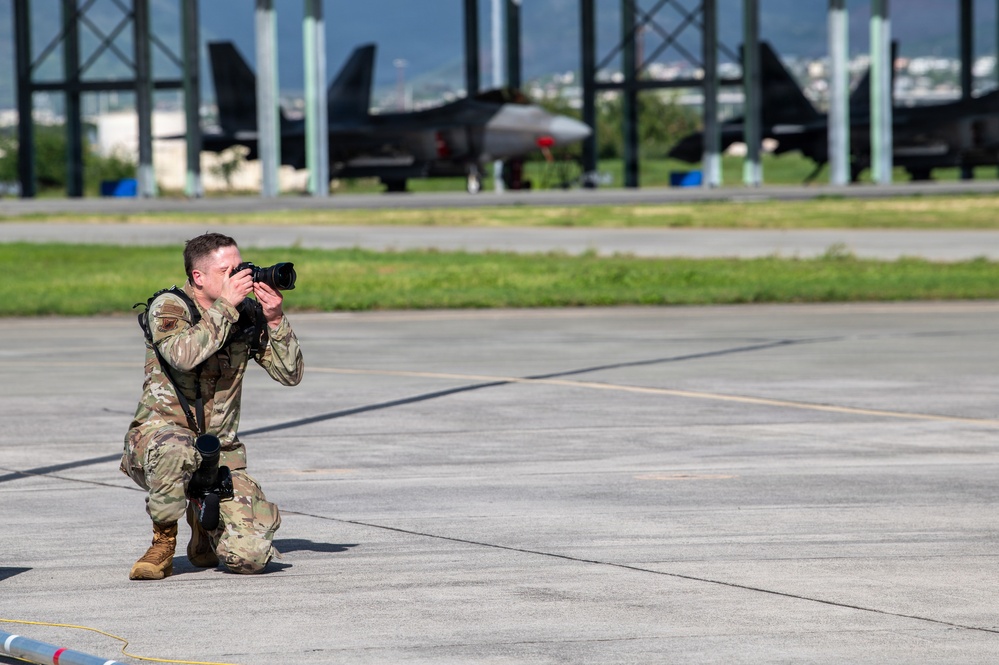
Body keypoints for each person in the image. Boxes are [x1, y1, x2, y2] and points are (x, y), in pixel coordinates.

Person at [120, 232, 304, 580]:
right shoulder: (171, 308)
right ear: (198, 277)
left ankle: (205, 526)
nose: (241, 277)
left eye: (241, 267)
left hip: (219, 454)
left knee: (250, 559)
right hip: (158, 445)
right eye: (228, 270)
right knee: (176, 449)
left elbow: (290, 374)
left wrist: (276, 319)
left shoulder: (245, 313)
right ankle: (163, 541)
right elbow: (183, 356)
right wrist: (225, 308)